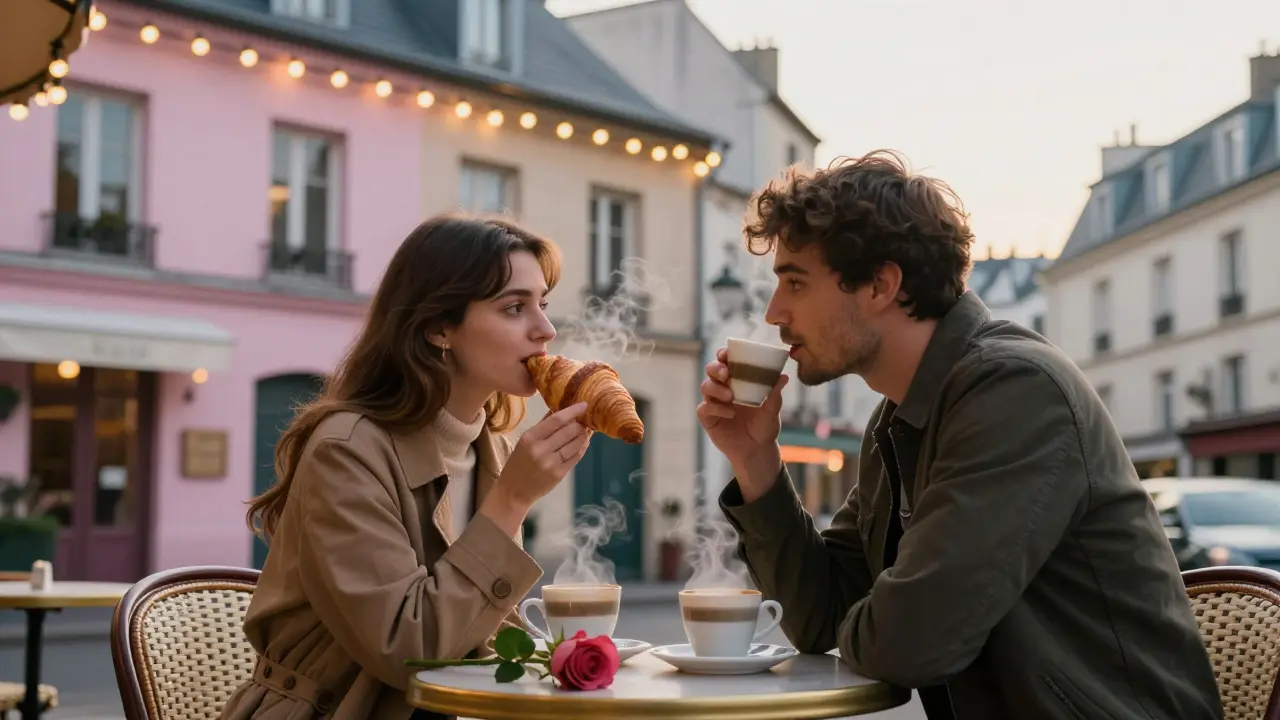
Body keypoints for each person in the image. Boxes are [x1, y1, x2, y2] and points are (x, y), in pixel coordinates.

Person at [697, 151, 1224, 719]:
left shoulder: (1015, 390)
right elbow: (820, 615)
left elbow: (909, 644)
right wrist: (756, 460)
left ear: (880, 284)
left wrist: (891, 612)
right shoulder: (898, 419)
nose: (775, 312)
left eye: (795, 282)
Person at [219, 215, 593, 720]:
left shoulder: (491, 447)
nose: (545, 330)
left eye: (543, 305)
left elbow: (474, 633)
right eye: (514, 308)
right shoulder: (347, 451)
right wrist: (512, 500)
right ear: (440, 326)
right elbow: (410, 651)